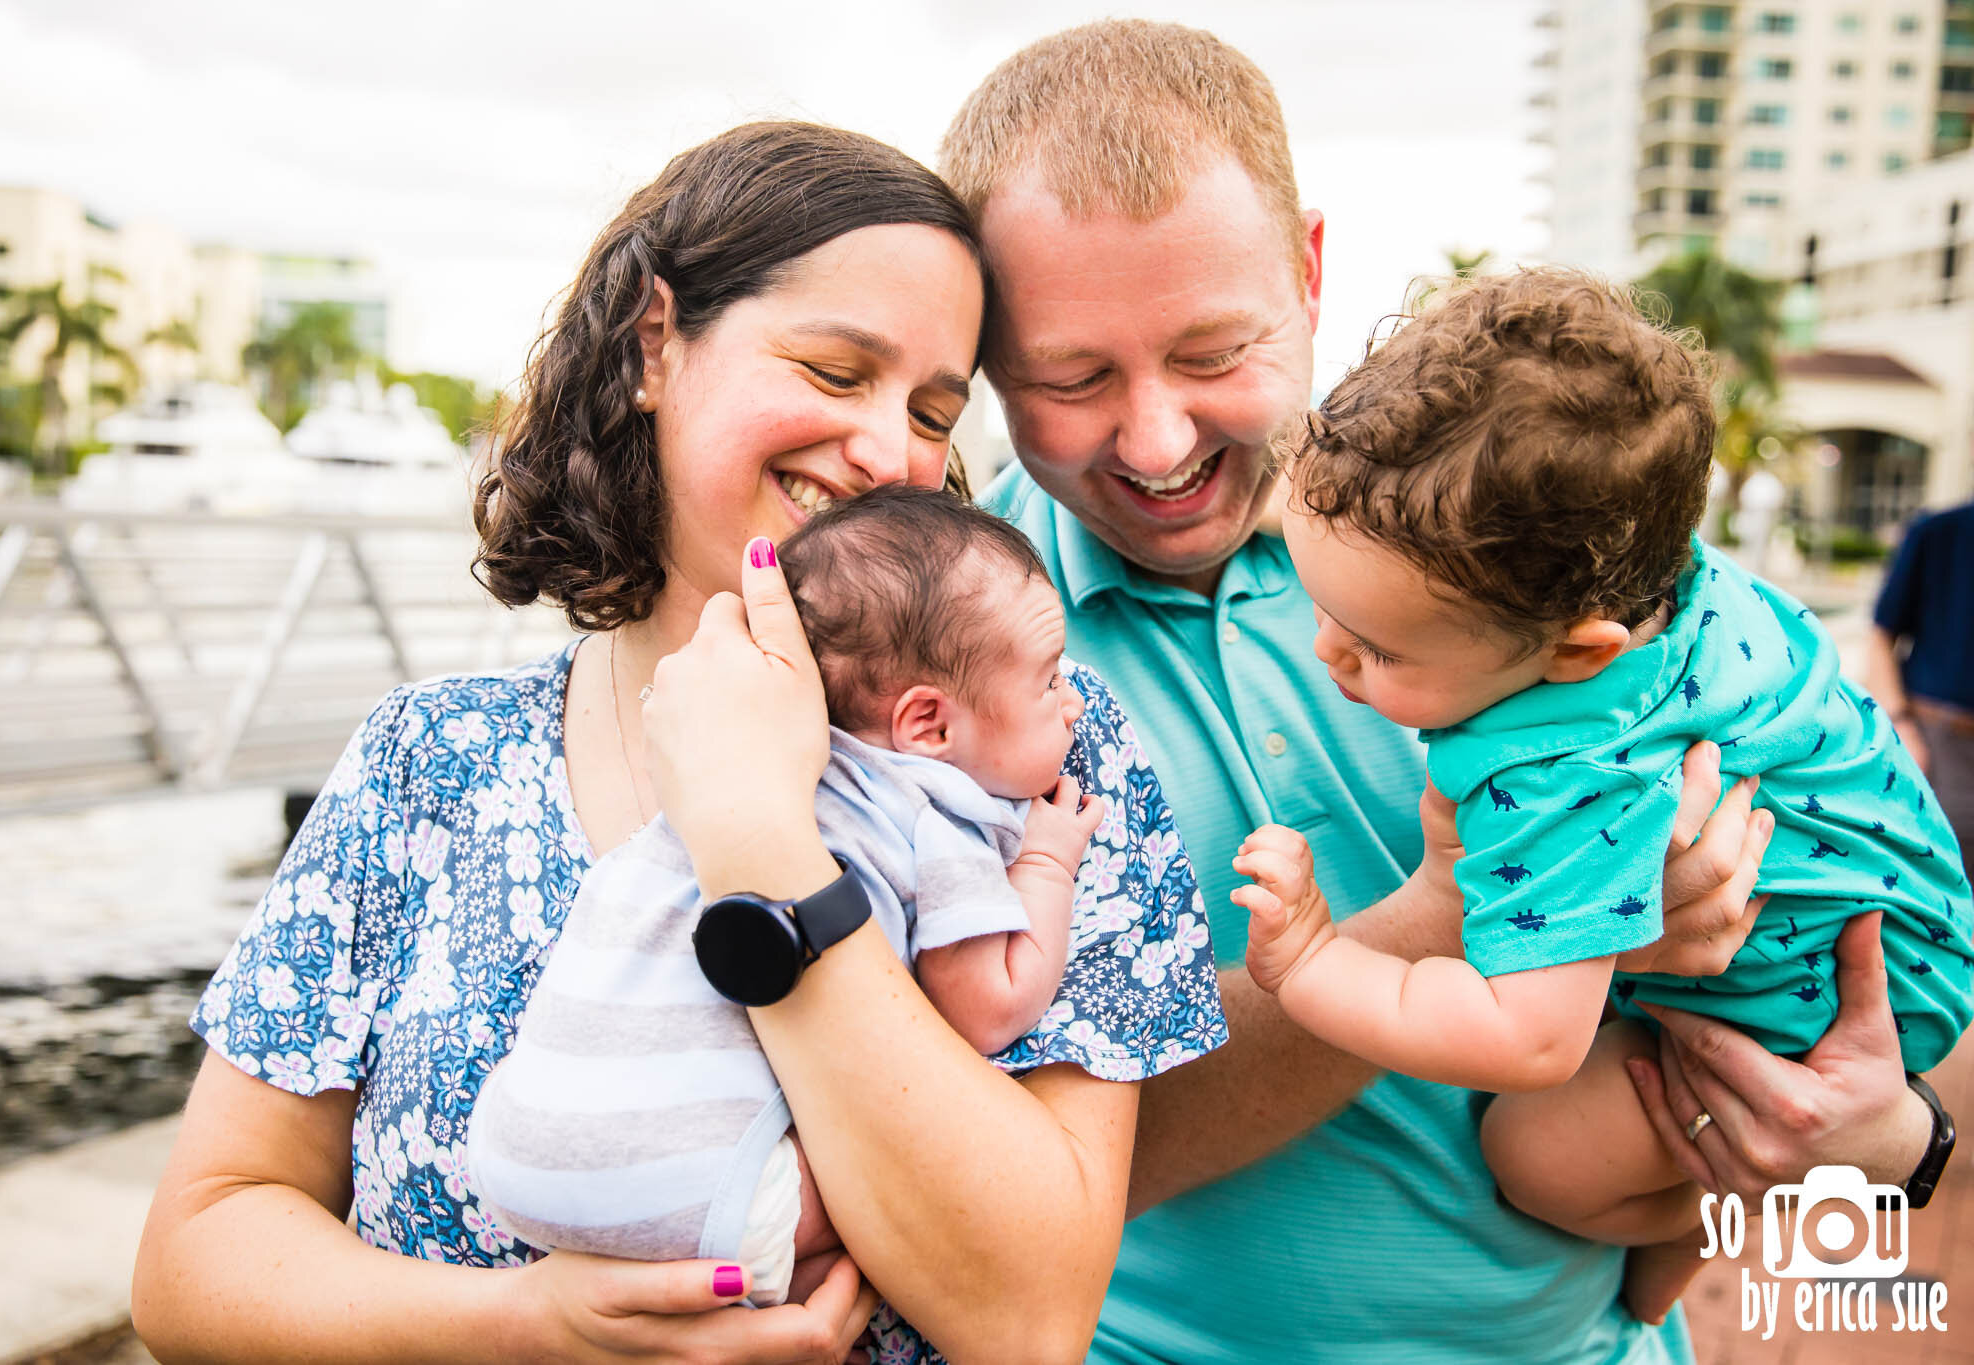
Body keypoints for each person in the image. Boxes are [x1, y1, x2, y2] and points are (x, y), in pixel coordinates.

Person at [923, 19, 1950, 1361]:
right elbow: (994, 1177)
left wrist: (1894, 1139)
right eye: (1071, 377)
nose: (1160, 439)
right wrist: (1472, 913)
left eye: (1214, 349)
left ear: (1307, 268)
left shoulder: (1519, 522)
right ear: (990, 358)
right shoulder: (927, 667)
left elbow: (1843, 917)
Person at [131, 121, 1225, 1365]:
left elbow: (1027, 1320)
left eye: (930, 408)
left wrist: (761, 840)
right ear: (656, 341)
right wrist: (522, 1328)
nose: (886, 454)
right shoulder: (427, 761)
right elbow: (194, 1255)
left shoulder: (1037, 756)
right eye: (830, 370)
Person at [1235, 267, 1972, 1322]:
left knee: (1530, 1151)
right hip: (1904, 900)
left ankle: (1675, 1223)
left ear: (1580, 653)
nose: (1327, 656)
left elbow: (1525, 1039)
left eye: (1377, 648)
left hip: (1831, 1006)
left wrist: (1312, 961)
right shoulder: (1640, 566)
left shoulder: (1567, 772)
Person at [465, 487, 1116, 1307]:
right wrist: (1048, 866)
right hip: (703, 1191)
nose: (1074, 701)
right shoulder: (938, 818)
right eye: (1050, 680)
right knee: (856, 1217)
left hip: (507, 1145)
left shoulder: (737, 743)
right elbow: (986, 1005)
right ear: (928, 727)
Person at [1871, 497, 1974, 880]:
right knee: (1936, 887)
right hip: (1942, 745)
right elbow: (1881, 635)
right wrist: (1901, 725)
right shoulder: (1939, 532)